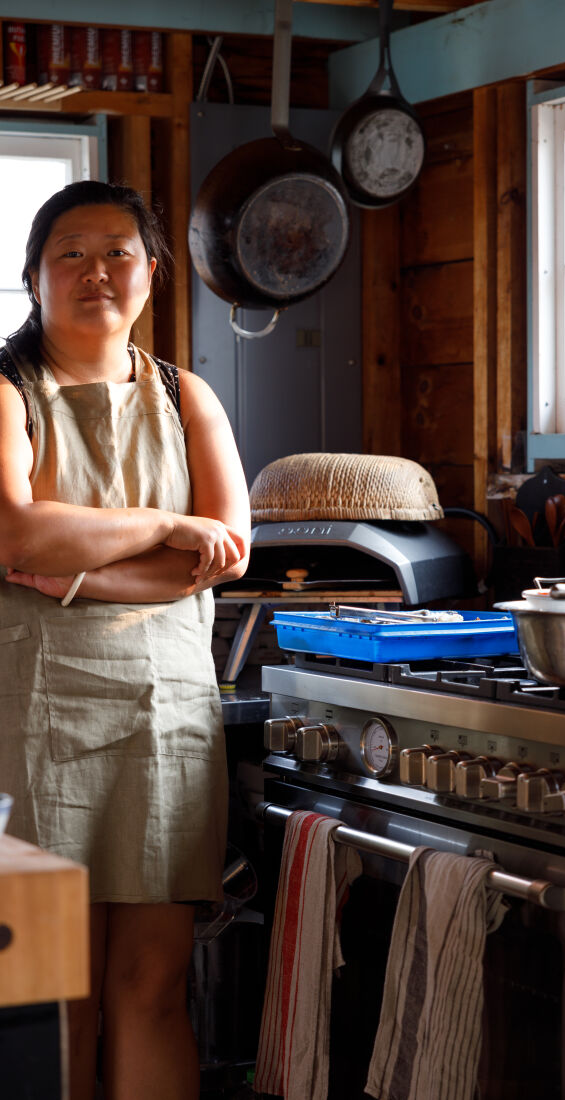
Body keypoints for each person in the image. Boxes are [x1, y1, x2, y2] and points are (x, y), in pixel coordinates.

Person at [0, 180, 250, 1100]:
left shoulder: (189, 397)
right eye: (70, 252)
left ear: (150, 273)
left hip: (165, 713)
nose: (94, 270)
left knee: (149, 987)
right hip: (29, 716)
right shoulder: (6, 389)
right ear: (33, 277)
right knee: (51, 990)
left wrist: (80, 570)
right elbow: (15, 533)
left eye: (117, 252)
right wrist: (164, 524)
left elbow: (225, 550)